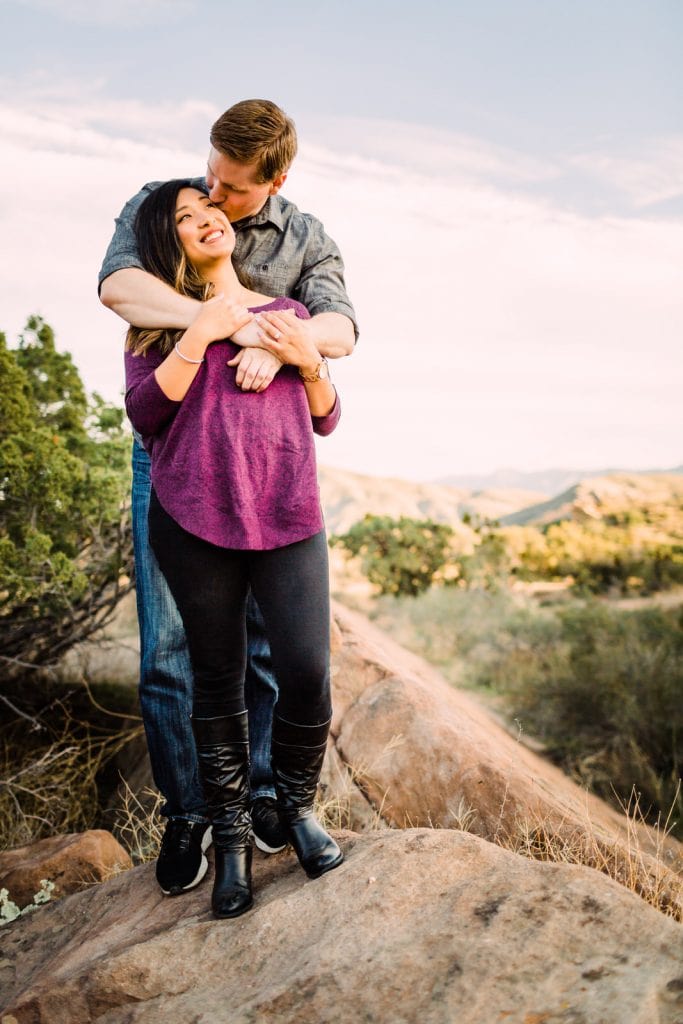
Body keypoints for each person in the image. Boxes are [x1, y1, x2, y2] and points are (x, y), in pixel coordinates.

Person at [99, 100, 357, 896]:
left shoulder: (304, 238)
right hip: (176, 458)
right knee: (173, 656)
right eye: (206, 174)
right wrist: (226, 328)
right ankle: (195, 815)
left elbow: (338, 333)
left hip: (269, 467)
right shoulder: (161, 205)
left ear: (274, 180)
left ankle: (275, 798)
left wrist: (287, 352)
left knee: (279, 655)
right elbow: (119, 289)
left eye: (230, 187)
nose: (211, 192)